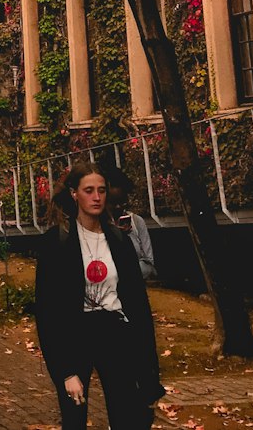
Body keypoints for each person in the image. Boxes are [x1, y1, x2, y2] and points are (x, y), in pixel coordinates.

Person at [36, 162, 164, 430]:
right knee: (74, 419)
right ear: (74, 193)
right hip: (76, 334)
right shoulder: (56, 241)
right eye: (89, 190)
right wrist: (65, 372)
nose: (96, 197)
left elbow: (139, 305)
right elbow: (48, 313)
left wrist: (149, 371)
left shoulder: (119, 240)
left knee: (125, 416)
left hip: (115, 332)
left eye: (101, 190)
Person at [105, 167, 155, 281]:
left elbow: (149, 263)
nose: (118, 207)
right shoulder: (99, 226)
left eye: (122, 202)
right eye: (113, 203)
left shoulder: (137, 222)